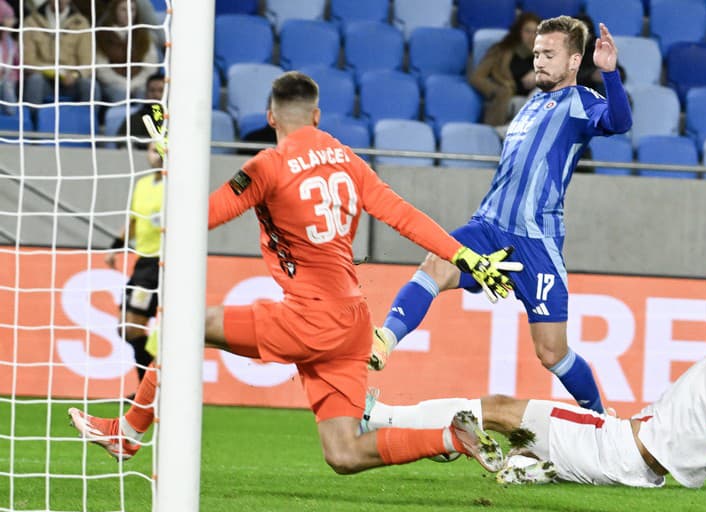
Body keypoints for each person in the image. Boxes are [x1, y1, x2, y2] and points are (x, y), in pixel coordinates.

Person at [68, 71, 522, 475]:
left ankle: (128, 431)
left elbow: (198, 218)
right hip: (352, 323)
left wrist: (174, 163)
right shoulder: (348, 159)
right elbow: (404, 216)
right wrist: (464, 256)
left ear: (271, 117)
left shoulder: (268, 165)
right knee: (343, 453)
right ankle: (451, 438)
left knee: (185, 326)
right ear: (317, 115)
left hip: (309, 317)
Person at [363, 214, 706, 487]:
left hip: (620, 446)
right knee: (533, 439)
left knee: (497, 408)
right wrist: (703, 466)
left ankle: (377, 417)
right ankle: (530, 467)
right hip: (646, 475)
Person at [370, 17, 632, 414]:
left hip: (536, 242)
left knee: (551, 352)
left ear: (575, 60)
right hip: (489, 226)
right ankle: (384, 340)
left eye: (549, 54)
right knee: (435, 265)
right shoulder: (530, 104)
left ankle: (600, 420)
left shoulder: (582, 102)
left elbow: (618, 123)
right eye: (537, 53)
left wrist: (610, 75)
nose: (539, 61)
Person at [104, 142, 163, 391]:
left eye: (162, 149)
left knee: (132, 327)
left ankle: (148, 392)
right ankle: (151, 388)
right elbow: (133, 222)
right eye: (152, 149)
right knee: (123, 327)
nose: (157, 154)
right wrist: (115, 246)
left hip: (160, 263)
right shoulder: (142, 185)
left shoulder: (177, 186)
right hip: (142, 263)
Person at [468, 12, 541, 127]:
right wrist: (496, 91)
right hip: (508, 101)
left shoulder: (544, 56)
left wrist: (538, 75)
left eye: (536, 32)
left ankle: (509, 131)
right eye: (527, 31)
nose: (532, 36)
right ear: (518, 32)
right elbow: (476, 77)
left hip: (533, 101)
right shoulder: (500, 51)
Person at [22, 0, 94, 113]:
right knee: (35, 81)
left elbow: (87, 61)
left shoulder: (81, 23)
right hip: (44, 79)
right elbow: (27, 59)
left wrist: (75, 75)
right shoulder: (31, 22)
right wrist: (52, 72)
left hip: (71, 81)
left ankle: (86, 126)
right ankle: (33, 126)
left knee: (90, 85)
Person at [95, 0, 160, 103]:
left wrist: (135, 84)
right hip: (113, 84)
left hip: (140, 84)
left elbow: (151, 66)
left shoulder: (144, 35)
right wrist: (124, 84)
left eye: (132, 10)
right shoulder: (102, 36)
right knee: (120, 96)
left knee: (144, 96)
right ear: (114, 11)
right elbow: (102, 69)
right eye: (123, 10)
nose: (128, 14)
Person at [116, 71, 164, 146]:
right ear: (146, 93)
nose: (156, 95)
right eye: (152, 90)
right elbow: (121, 145)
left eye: (161, 91)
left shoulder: (176, 120)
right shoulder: (134, 120)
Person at [0, 1, 18, 113]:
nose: (13, 22)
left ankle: (11, 114)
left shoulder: (11, 43)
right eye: (9, 18)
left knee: (7, 85)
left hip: (6, 82)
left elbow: (17, 66)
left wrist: (10, 75)